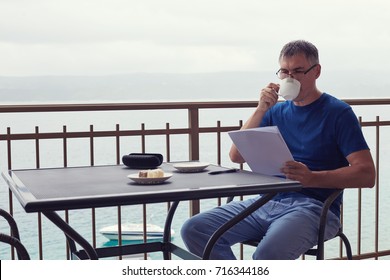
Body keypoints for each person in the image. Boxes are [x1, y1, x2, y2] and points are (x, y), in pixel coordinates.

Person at [180, 40, 376, 260]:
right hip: (268, 201)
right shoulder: (275, 111)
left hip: (315, 208)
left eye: (298, 71)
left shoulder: (338, 113)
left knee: (267, 255)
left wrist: (311, 178)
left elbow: (367, 174)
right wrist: (261, 109)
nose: (289, 78)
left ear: (316, 71)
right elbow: (237, 155)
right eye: (284, 71)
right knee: (195, 229)